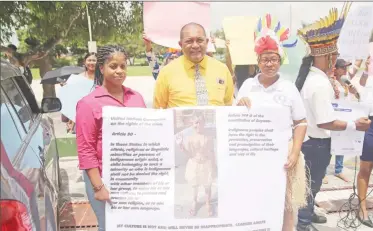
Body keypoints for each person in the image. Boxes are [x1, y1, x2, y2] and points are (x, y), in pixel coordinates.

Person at [295, 4, 371, 231]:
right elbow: (324, 122)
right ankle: (303, 222)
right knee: (311, 184)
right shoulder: (318, 84)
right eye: (335, 55)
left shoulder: (317, 78)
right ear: (327, 57)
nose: (337, 58)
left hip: (316, 143)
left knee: (313, 183)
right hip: (316, 143)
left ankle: (307, 215)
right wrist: (353, 124)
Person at [235, 14, 308, 231]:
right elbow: (235, 118)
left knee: (285, 204)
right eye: (265, 59)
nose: (269, 63)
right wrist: (239, 106)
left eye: (274, 59)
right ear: (257, 61)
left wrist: (294, 152)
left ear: (280, 61)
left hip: (283, 155)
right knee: (255, 199)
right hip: (253, 153)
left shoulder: (289, 88)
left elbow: (301, 122)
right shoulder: (247, 85)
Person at [75, 45, 146, 231]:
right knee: (110, 225)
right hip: (103, 178)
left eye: (123, 66)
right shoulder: (88, 104)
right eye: (113, 66)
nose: (119, 71)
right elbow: (86, 149)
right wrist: (99, 188)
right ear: (101, 68)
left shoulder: (136, 98)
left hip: (134, 177)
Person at [153, 22, 234, 108]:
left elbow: (228, 106)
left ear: (206, 42)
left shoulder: (222, 70)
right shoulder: (167, 73)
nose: (195, 45)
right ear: (180, 44)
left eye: (199, 40)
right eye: (189, 41)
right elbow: (158, 110)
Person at [323, 59, 360, 184]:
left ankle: (338, 170)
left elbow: (350, 99)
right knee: (329, 144)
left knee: (341, 143)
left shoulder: (345, 82)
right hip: (332, 117)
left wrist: (354, 92)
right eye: (343, 68)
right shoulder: (329, 82)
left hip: (344, 116)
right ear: (336, 69)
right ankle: (323, 172)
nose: (345, 70)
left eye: (346, 68)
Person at [176, 112, 216, 217]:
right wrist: (182, 147)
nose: (197, 125)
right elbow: (189, 154)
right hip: (194, 165)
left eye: (200, 122)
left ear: (204, 123)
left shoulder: (208, 137)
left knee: (207, 185)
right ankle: (194, 201)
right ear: (192, 124)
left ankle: (207, 202)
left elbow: (212, 152)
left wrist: (214, 165)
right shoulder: (190, 138)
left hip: (206, 164)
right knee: (195, 185)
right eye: (195, 123)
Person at [61, 52, 97, 134]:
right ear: (85, 62)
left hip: (98, 115)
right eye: (89, 60)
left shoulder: (103, 78)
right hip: (80, 117)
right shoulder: (76, 78)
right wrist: (66, 88)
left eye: (94, 60)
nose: (91, 63)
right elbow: (70, 99)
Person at [356, 56, 373, 227]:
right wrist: (366, 68)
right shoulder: (369, 75)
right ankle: (362, 209)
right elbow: (362, 82)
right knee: (365, 168)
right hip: (369, 124)